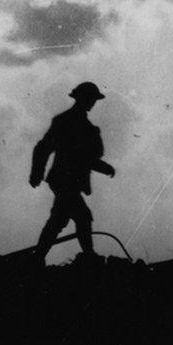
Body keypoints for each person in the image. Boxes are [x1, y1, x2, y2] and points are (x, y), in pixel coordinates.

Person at [30, 82, 115, 261]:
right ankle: (86, 255)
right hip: (63, 179)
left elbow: (86, 158)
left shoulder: (85, 126)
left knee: (62, 218)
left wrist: (103, 167)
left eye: (93, 99)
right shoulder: (65, 121)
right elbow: (44, 148)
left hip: (72, 181)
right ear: (81, 99)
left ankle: (39, 256)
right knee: (80, 217)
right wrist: (36, 173)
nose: (92, 103)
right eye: (90, 99)